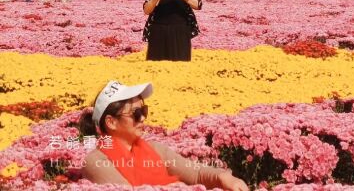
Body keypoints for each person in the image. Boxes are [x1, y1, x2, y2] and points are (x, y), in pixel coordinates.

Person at [79, 80, 248, 190]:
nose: (143, 118)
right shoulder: (97, 162)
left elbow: (196, 173)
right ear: (111, 122)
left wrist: (224, 178)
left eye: (144, 111)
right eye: (136, 113)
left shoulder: (154, 149)